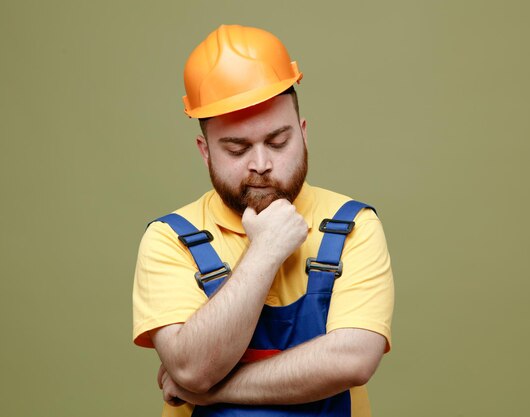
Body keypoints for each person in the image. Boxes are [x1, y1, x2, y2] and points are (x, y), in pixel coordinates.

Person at [132, 24, 394, 417]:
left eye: (278, 142)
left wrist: (214, 392)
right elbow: (191, 368)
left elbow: (352, 360)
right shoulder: (169, 238)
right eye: (237, 148)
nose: (261, 165)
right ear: (206, 152)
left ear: (303, 135)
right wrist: (266, 250)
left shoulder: (353, 225)